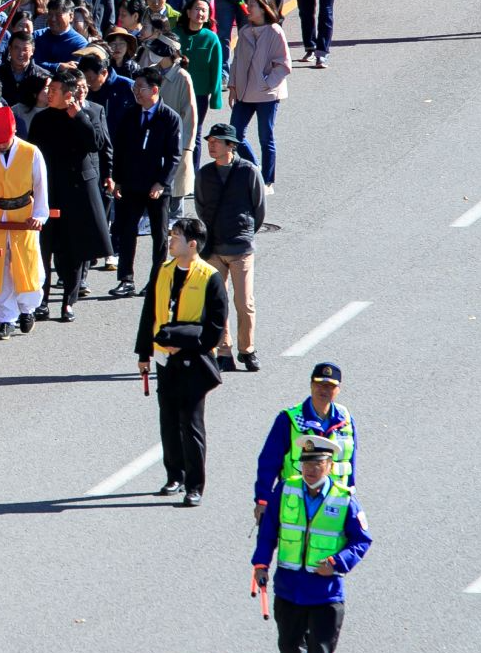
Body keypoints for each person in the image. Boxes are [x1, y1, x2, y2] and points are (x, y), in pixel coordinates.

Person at [251, 437, 371, 653]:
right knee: (289, 648)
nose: (311, 470)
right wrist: (261, 563)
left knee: (319, 652)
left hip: (325, 592)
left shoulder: (344, 500)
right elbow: (269, 531)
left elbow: (361, 540)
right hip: (289, 588)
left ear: (329, 466)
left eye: (317, 464)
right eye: (306, 464)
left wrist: (338, 562)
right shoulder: (287, 490)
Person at [133, 217, 230, 507]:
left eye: (176, 236)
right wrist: (143, 354)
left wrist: (183, 343)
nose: (170, 239)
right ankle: (173, 475)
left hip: (192, 361)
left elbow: (214, 327)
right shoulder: (163, 271)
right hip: (164, 359)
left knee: (191, 423)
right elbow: (149, 312)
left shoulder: (209, 277)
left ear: (192, 244)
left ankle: (194, 484)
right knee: (168, 420)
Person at [26, 69, 112, 323]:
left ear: (69, 95)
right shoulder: (41, 119)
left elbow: (96, 144)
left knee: (74, 249)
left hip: (77, 190)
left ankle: (68, 302)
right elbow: (32, 154)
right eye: (48, 90)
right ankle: (41, 301)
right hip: (49, 189)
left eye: (53, 91)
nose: (48, 94)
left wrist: (79, 117)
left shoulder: (89, 113)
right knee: (45, 247)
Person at [195, 124, 265, 372]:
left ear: (231, 145)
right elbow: (201, 207)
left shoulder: (248, 171)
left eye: (217, 141)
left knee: (244, 302)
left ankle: (247, 350)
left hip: (240, 247)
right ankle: (224, 351)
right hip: (214, 247)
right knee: (218, 303)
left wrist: (244, 231)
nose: (211, 145)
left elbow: (259, 209)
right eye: (210, 140)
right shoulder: (204, 174)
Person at [108, 67, 183, 298]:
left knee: (159, 235)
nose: (136, 92)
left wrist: (161, 182)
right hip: (131, 183)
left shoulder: (169, 117)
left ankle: (157, 279)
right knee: (127, 231)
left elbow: (174, 155)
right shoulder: (130, 114)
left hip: (157, 187)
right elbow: (118, 148)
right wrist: (118, 179)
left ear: (154, 90)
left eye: (140, 88)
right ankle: (126, 279)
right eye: (134, 87)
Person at [0, 105, 48, 335]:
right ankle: (5, 318)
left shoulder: (30, 151)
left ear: (14, 132)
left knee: (27, 262)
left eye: (5, 140)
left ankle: (28, 308)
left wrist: (39, 215)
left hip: (23, 214)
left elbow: (40, 185)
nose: (1, 145)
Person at [253, 361, 356, 522]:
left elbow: (350, 463)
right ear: (311, 385)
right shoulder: (289, 420)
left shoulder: (346, 420)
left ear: (338, 389)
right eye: (320, 384)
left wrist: (351, 497)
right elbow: (268, 462)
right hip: (295, 503)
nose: (324, 389)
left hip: (334, 505)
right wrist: (263, 500)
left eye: (330, 386)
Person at [228, 0, 290, 189]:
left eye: (252, 4)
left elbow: (283, 64)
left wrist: (267, 83)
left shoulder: (274, 31)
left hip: (266, 95)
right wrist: (233, 86)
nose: (248, 7)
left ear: (264, 8)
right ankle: (254, 168)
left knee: (266, 137)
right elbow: (236, 61)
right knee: (234, 135)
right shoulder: (245, 31)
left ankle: (267, 180)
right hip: (244, 94)